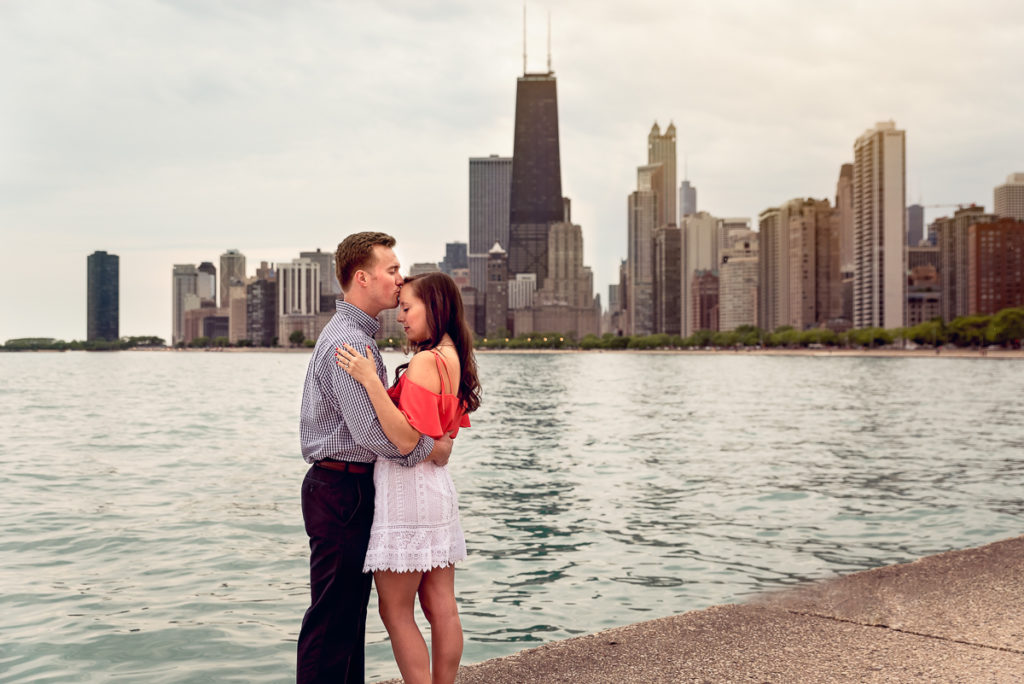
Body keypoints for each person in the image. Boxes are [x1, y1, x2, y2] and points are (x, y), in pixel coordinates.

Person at [297, 232, 453, 684]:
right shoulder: (351, 343)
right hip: (340, 487)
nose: (399, 279)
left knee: (345, 614)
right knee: (332, 617)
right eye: (391, 270)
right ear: (362, 278)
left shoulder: (356, 336)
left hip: (344, 486)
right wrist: (433, 449)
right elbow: (376, 437)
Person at [334, 271, 480, 684]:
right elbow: (444, 437)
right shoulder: (455, 357)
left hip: (407, 490)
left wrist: (370, 381)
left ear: (435, 308)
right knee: (441, 606)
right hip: (437, 492)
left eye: (408, 307)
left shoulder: (425, 362)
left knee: (395, 610)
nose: (401, 316)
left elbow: (404, 439)